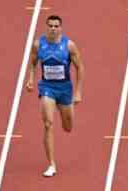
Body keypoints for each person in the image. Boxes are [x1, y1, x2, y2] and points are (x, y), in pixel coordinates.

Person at [25, 15, 84, 177]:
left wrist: (78, 92)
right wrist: (30, 79)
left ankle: (62, 108)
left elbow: (80, 68)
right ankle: (51, 164)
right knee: (48, 124)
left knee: (68, 127)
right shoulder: (38, 44)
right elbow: (32, 62)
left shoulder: (69, 46)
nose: (53, 28)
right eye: (50, 25)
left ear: (60, 28)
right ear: (46, 27)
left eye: (56, 26)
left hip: (65, 89)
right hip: (47, 87)